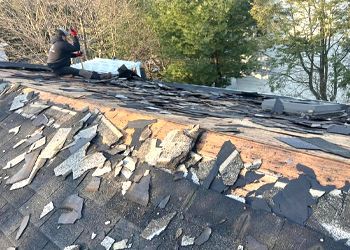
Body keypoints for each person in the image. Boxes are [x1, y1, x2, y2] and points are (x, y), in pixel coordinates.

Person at [47, 28, 112, 80]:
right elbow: (76, 48)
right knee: (78, 72)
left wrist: (77, 55)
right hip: (59, 69)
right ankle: (100, 77)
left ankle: (97, 75)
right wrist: (74, 36)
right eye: (65, 36)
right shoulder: (62, 44)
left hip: (54, 68)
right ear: (62, 36)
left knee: (74, 71)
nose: (66, 38)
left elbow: (64, 56)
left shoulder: (56, 44)